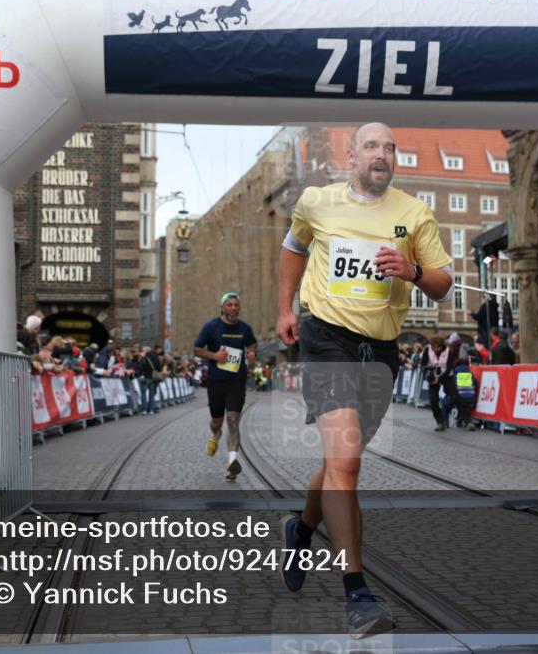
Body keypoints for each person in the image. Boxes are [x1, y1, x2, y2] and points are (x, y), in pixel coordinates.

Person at [276, 123, 453, 639]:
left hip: (380, 350)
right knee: (348, 463)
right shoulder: (317, 201)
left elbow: (443, 284)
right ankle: (357, 594)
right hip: (326, 338)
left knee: (340, 462)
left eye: (390, 147)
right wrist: (285, 308)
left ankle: (302, 528)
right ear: (351, 155)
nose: (382, 154)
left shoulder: (414, 214)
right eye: (372, 146)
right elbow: (293, 247)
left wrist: (412, 271)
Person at [194, 292, 257, 481]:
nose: (233, 308)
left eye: (236, 305)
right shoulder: (211, 327)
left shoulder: (245, 328)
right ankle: (216, 435)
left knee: (233, 419)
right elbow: (197, 349)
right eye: (229, 305)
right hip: (216, 382)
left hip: (237, 381)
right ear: (222, 307)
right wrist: (215, 356)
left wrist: (252, 355)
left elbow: (252, 345)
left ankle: (232, 462)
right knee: (217, 422)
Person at [423, 335, 450, 431]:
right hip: (433, 377)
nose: (436, 349)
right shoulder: (427, 350)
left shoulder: (448, 351)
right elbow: (422, 364)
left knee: (454, 397)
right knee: (433, 401)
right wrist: (427, 372)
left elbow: (450, 366)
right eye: (434, 347)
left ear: (442, 346)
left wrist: (440, 378)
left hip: (447, 376)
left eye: (438, 347)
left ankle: (463, 420)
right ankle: (440, 422)